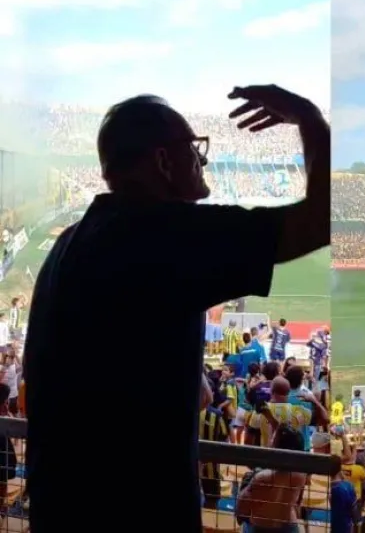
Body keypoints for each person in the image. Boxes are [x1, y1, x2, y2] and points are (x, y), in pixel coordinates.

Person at [23, 85, 330, 532]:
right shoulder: (161, 234)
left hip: (65, 505)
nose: (201, 161)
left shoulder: (72, 242)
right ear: (164, 162)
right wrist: (308, 116)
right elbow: (321, 218)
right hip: (137, 510)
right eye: (193, 149)